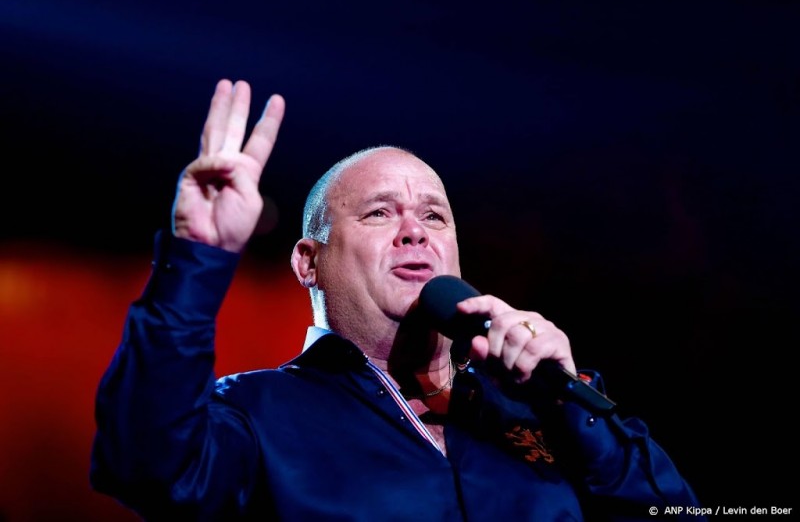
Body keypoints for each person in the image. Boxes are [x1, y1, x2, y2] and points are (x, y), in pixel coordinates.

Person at [90, 78, 707, 521]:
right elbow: (145, 466)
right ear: (308, 262)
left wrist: (570, 404)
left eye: (434, 216)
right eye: (379, 212)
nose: (415, 231)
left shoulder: (544, 409)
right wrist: (197, 256)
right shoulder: (256, 414)